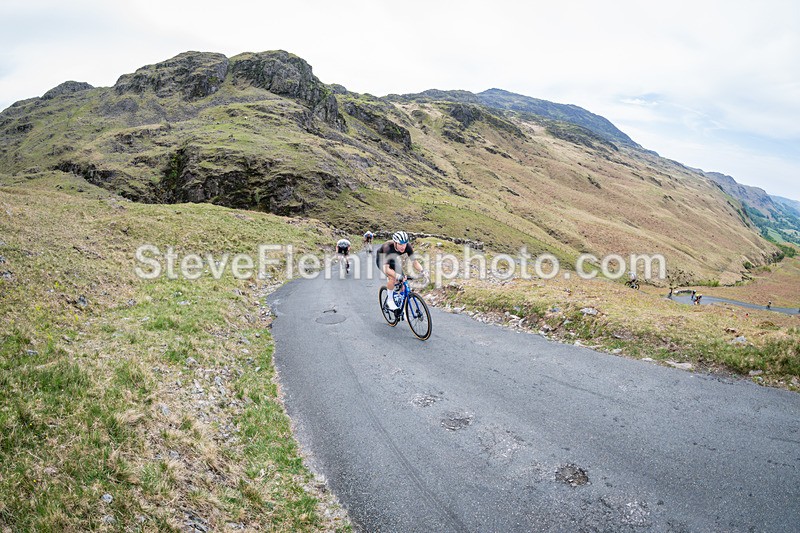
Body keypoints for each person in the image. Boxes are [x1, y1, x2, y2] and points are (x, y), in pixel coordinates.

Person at [376, 231, 426, 313]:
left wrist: (423, 271)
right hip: (382, 260)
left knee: (403, 282)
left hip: (393, 259)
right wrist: (398, 276)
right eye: (400, 244)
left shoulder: (407, 247)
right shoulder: (387, 247)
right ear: (395, 243)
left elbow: (415, 262)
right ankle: (390, 301)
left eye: (405, 244)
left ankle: (399, 300)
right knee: (393, 277)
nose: (403, 247)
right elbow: (386, 269)